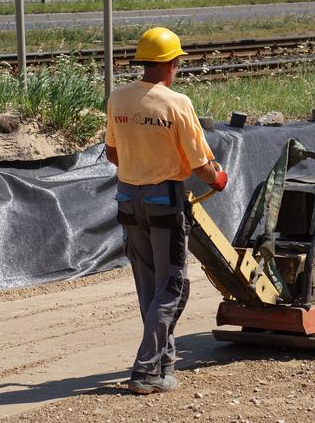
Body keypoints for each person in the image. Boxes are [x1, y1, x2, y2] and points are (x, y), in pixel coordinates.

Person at [104, 27, 229, 394]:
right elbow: (199, 164)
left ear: (144, 62)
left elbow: (112, 153)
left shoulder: (119, 98)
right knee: (173, 285)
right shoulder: (177, 103)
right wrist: (218, 179)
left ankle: (164, 366)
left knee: (149, 286)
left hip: (127, 200)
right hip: (163, 203)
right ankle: (144, 371)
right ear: (173, 63)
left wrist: (139, 162)